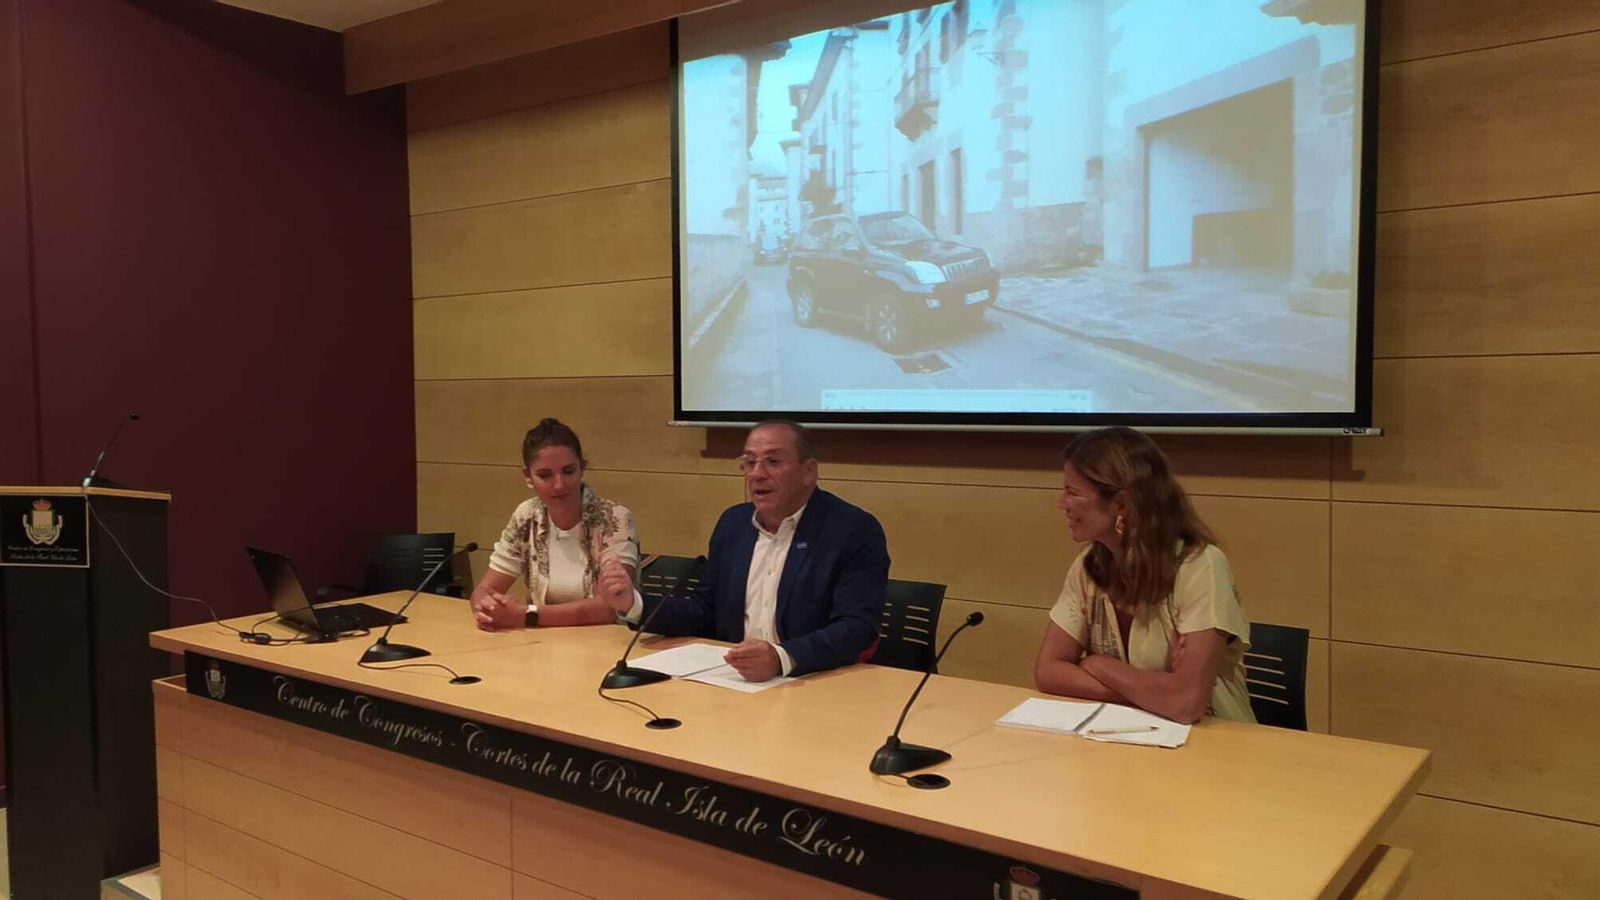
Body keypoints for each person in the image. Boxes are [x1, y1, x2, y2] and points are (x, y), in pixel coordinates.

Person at [606, 420, 888, 681]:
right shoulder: (734, 524)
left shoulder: (852, 530)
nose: (757, 474)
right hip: (734, 678)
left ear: (809, 471)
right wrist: (634, 604)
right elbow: (705, 611)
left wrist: (782, 657)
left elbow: (857, 627)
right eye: (749, 462)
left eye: (772, 462)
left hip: (814, 680)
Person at [1034, 427, 1255, 723]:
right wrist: (1151, 694)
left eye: (1073, 492)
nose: (1062, 503)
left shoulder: (1201, 566)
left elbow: (1185, 704)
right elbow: (1048, 671)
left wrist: (1097, 665)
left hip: (1214, 745)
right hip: (1125, 738)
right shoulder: (1088, 565)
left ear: (1122, 504)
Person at [471, 419, 639, 630]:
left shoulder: (614, 518)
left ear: (582, 469)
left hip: (603, 645)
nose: (559, 485)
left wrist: (526, 616)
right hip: (540, 645)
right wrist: (486, 607)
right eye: (545, 475)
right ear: (528, 476)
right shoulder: (526, 515)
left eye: (568, 472)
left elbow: (609, 607)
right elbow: (484, 589)